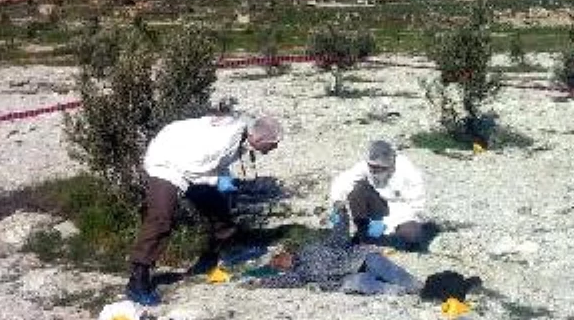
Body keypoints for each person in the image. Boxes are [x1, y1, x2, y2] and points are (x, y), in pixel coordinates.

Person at [126, 114, 283, 305]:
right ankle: (137, 278)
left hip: (188, 159)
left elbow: (217, 163)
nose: (275, 148)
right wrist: (219, 181)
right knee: (161, 218)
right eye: (273, 144)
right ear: (257, 139)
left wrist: (223, 179)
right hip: (166, 161)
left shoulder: (242, 132)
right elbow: (194, 170)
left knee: (214, 201)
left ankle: (229, 247)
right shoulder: (223, 141)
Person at [254, 202, 421, 295]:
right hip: (348, 279)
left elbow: (339, 236)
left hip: (361, 258)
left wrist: (341, 214)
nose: (280, 263)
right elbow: (281, 281)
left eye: (278, 258)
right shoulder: (300, 275)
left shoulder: (312, 248)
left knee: (385, 267)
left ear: (286, 252)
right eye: (277, 265)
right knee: (361, 283)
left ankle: (419, 287)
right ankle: (396, 292)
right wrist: (258, 282)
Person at [329, 140, 431, 249]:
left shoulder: (408, 173)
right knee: (358, 189)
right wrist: (337, 201)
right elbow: (344, 180)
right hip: (377, 205)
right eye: (371, 166)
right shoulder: (365, 166)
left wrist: (387, 223)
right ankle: (363, 232)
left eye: (377, 168)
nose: (372, 170)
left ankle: (392, 239)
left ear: (389, 165)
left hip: (402, 211)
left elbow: (415, 207)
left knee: (411, 235)